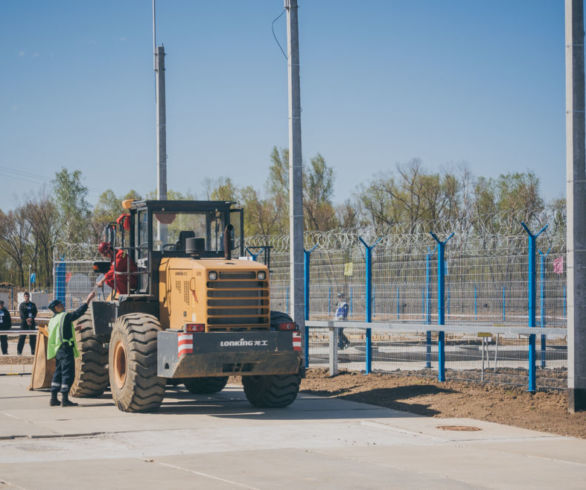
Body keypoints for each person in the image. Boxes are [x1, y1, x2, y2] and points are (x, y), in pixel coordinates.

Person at [47, 291, 95, 407]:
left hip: (57, 350)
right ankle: (64, 399)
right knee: (67, 373)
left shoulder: (53, 320)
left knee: (58, 373)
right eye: (61, 305)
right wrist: (88, 300)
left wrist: (75, 329)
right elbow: (78, 313)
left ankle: (53, 399)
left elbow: (61, 332)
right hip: (65, 349)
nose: (63, 306)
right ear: (56, 307)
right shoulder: (65, 316)